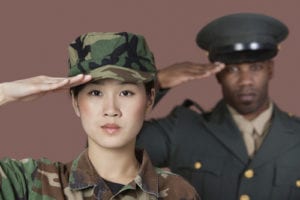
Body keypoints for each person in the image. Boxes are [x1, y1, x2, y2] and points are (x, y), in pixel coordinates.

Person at [0, 32, 203, 199]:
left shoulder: (177, 193)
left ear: (150, 99)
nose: (111, 109)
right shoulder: (32, 182)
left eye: (126, 93)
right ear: (75, 101)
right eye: (95, 93)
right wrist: (4, 94)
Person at [137, 13, 300, 200]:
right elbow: (107, 150)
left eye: (255, 68)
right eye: (233, 69)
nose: (245, 80)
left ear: (270, 69)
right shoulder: (181, 130)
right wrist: (156, 84)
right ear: (218, 74)